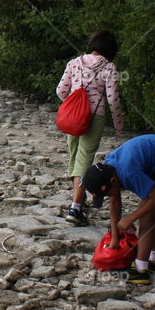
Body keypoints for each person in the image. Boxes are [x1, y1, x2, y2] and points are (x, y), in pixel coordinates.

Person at [82, 134, 155, 285]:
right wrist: (114, 235)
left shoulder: (127, 173)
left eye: (105, 194)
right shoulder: (110, 169)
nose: (108, 196)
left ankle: (140, 270)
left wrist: (130, 218)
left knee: (146, 215)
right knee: (148, 212)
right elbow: (115, 203)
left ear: (113, 182)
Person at [56, 30, 124, 227]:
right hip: (95, 117)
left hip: (73, 118)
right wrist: (119, 124)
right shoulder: (109, 67)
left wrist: (73, 106)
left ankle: (78, 199)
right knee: (84, 159)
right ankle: (76, 208)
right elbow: (112, 98)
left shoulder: (74, 63)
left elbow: (60, 90)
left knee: (75, 155)